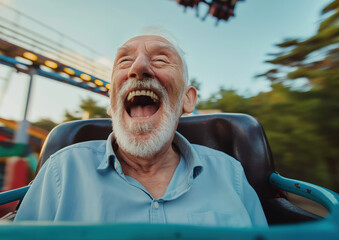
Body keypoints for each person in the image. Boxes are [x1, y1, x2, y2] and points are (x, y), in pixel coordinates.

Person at [15, 34, 267, 227]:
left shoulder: (231, 175)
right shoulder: (61, 172)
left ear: (187, 100)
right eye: (125, 61)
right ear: (112, 100)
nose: (139, 67)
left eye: (160, 59)